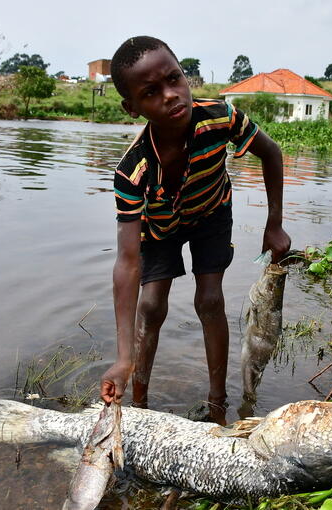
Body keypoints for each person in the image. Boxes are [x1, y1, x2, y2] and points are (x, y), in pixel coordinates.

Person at [99, 36, 290, 425]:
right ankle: (139, 402)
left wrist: (274, 224)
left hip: (210, 213)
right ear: (132, 107)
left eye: (175, 79)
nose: (171, 95)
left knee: (210, 301)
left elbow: (270, 152)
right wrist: (122, 358)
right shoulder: (132, 171)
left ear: (185, 76)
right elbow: (126, 263)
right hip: (160, 226)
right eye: (151, 92)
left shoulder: (220, 118)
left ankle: (217, 406)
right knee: (151, 307)